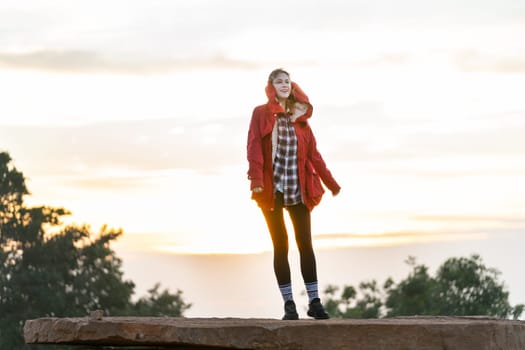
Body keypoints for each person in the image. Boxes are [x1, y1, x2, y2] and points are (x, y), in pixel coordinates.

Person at [246, 68, 341, 320]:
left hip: (298, 188)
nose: (284, 84)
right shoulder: (261, 114)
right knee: (281, 246)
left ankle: (314, 302)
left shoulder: (301, 121)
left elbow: (314, 155)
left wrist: (330, 182)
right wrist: (256, 179)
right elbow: (254, 145)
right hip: (272, 189)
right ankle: (289, 304)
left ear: (292, 85)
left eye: (287, 81)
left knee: (305, 244)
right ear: (271, 86)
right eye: (279, 81)